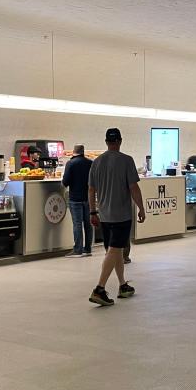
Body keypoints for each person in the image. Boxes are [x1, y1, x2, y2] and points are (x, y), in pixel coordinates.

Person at [87, 128, 145, 307]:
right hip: (121, 215)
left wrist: (93, 211)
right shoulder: (127, 160)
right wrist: (141, 208)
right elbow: (133, 187)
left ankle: (122, 285)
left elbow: (91, 189)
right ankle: (99, 289)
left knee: (116, 251)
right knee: (114, 249)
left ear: (106, 142)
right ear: (120, 141)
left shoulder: (96, 162)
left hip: (104, 215)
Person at [62, 145, 92, 258]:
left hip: (75, 198)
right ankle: (88, 248)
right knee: (88, 224)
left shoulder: (71, 163)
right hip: (88, 197)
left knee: (77, 223)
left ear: (74, 152)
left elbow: (65, 182)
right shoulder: (90, 163)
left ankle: (78, 249)